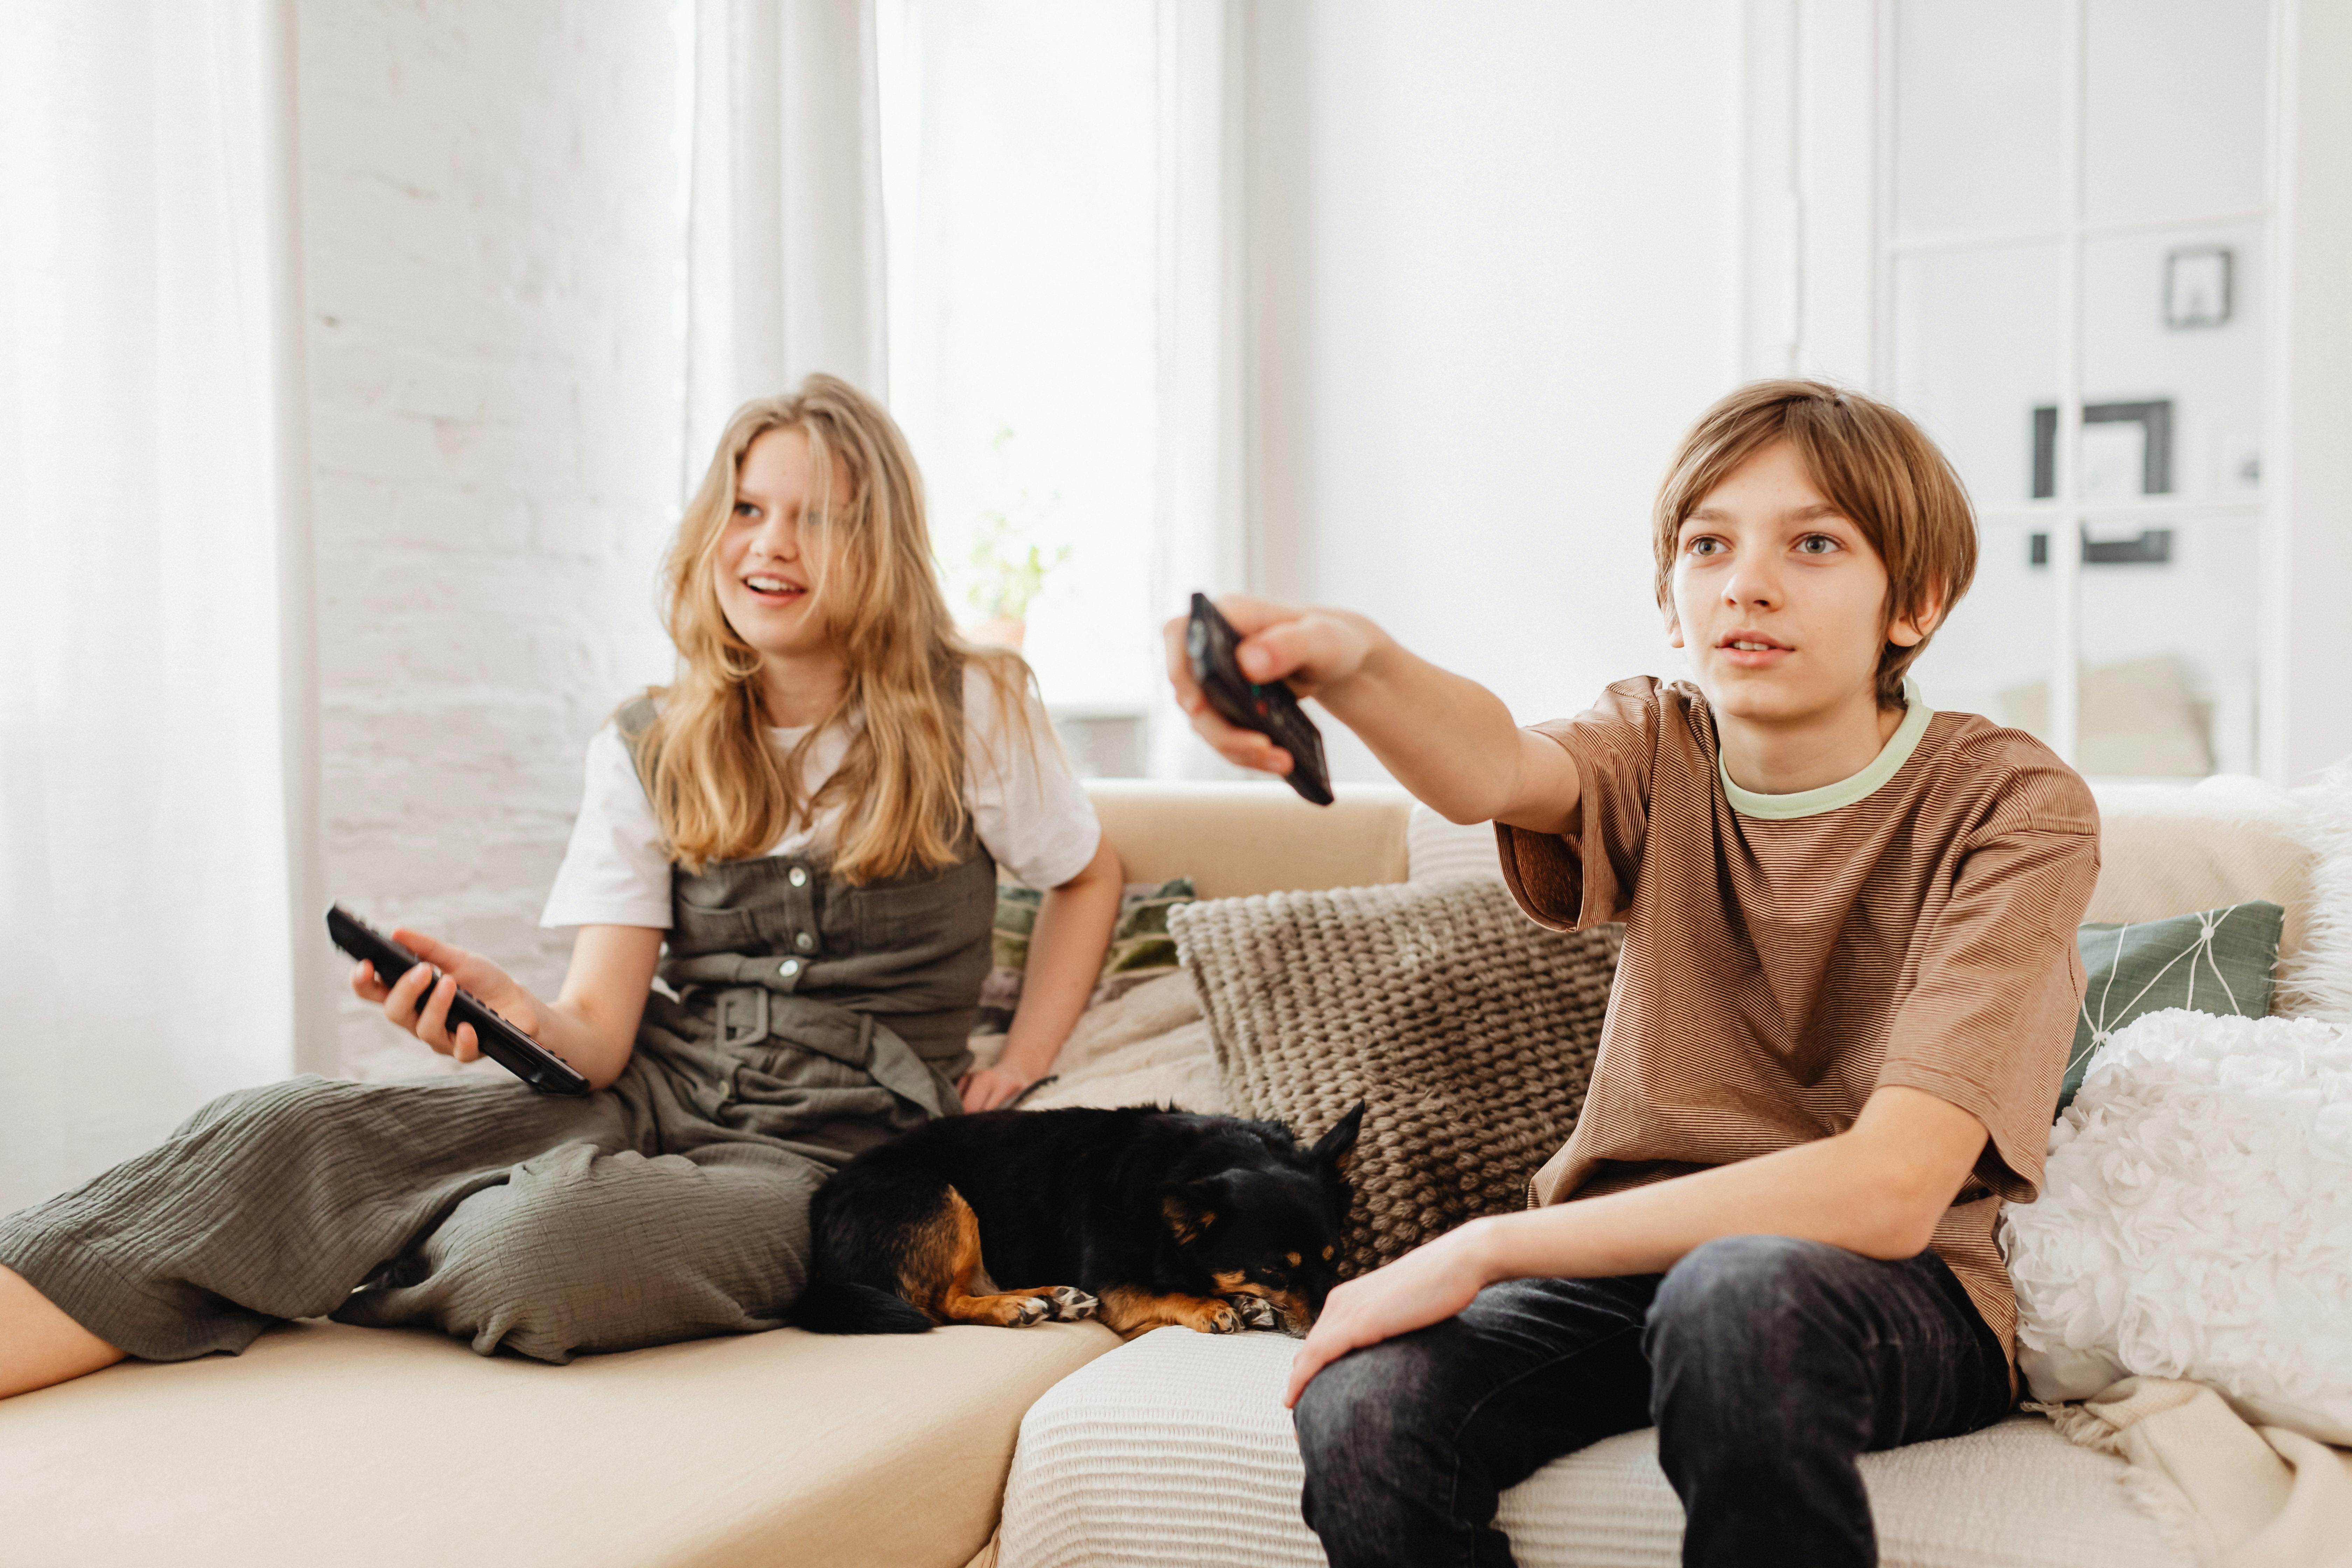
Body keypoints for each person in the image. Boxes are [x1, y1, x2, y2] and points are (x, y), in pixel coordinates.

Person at [0, 373, 1123, 1400]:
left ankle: (308, 1237)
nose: (770, 545)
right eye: (745, 508)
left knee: (535, 1254)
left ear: (880, 544)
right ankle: (258, 1230)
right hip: (654, 1085)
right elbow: (596, 1032)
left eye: (817, 516)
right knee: (281, 1128)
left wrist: (1024, 1057)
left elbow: (1086, 873)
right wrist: (512, 1015)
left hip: (839, 1152)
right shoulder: (651, 740)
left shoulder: (971, 710)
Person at [1165, 380, 2098, 1567]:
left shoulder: (2012, 804)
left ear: (1914, 601)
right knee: (1369, 1402)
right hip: (1629, 1270)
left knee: (1738, 1299)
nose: (1745, 584)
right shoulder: (1656, 745)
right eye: (1709, 545)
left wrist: (1482, 1244)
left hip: (1888, 1290)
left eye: (1813, 544)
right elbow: (1490, 768)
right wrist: (1348, 658)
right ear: (1672, 599)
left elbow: (1891, 1189)